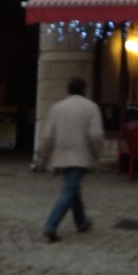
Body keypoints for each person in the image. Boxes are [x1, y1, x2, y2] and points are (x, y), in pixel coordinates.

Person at [39, 77, 105, 242]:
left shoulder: (57, 108)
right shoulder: (91, 108)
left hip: (61, 155)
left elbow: (48, 135)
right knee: (70, 190)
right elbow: (95, 135)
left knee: (72, 188)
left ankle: (81, 221)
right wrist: (97, 153)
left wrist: (43, 154)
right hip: (80, 155)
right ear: (84, 90)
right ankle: (51, 224)